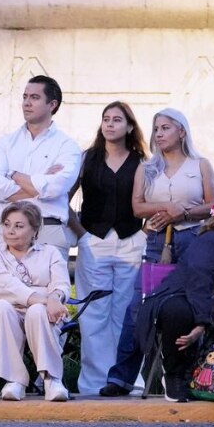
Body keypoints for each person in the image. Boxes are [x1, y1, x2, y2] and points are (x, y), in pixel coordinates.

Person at [100, 108, 214, 396]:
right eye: (156, 128)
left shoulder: (200, 165)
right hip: (155, 243)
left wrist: (184, 211)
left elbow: (213, 207)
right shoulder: (147, 167)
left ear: (182, 131)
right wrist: (168, 210)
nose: (159, 134)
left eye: (165, 127)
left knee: (190, 304)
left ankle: (192, 374)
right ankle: (122, 377)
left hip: (194, 240)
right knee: (138, 306)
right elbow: (137, 207)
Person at [67, 102, 148, 394]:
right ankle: (93, 383)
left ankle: (125, 380)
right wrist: (82, 235)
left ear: (129, 126)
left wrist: (145, 234)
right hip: (94, 240)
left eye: (117, 119)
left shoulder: (142, 162)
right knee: (94, 311)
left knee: (126, 312)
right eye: (106, 119)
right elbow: (63, 200)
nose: (110, 124)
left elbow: (153, 199)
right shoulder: (86, 158)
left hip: (130, 241)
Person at [0, 75, 82, 258]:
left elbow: (56, 187)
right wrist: (41, 179)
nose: (26, 103)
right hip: (6, 232)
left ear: (52, 105)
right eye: (25, 97)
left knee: (48, 286)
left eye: (34, 98)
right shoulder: (5, 143)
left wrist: (12, 174)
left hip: (48, 231)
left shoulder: (67, 146)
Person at [0, 201, 72, 402]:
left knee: (37, 311)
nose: (10, 231)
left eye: (18, 226)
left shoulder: (50, 253)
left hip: (44, 313)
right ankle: (15, 380)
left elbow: (62, 284)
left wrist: (54, 298)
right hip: (9, 310)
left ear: (35, 230)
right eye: (7, 224)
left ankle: (52, 380)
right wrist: (45, 298)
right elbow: (5, 285)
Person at [132, 213, 214, 401]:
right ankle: (175, 375)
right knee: (179, 312)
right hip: (178, 295)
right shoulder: (208, 241)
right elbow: (199, 281)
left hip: (207, 301)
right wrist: (202, 323)